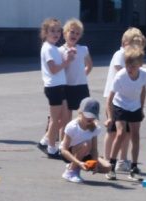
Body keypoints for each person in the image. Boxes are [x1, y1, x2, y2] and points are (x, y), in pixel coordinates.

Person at [103, 28, 146, 173]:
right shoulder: (119, 54)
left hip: (129, 101)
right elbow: (120, 73)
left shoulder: (133, 59)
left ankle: (122, 160)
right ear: (127, 44)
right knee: (113, 132)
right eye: (136, 46)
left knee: (127, 132)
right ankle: (107, 159)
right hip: (116, 98)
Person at [37, 18, 75, 159]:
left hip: (59, 86)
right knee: (55, 120)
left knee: (64, 118)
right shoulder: (48, 48)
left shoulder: (53, 48)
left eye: (58, 31)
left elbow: (59, 64)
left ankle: (44, 141)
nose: (56, 33)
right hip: (53, 87)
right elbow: (53, 69)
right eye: (52, 31)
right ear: (45, 33)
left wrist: (68, 55)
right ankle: (51, 148)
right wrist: (67, 61)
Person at [60, 97, 110, 183]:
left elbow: (94, 149)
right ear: (81, 112)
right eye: (87, 115)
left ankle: (76, 165)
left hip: (85, 153)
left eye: (93, 116)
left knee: (107, 167)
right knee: (86, 144)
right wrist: (79, 163)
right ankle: (70, 172)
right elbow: (64, 150)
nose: (90, 118)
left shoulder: (95, 128)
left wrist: (95, 164)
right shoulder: (72, 126)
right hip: (69, 154)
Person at [58, 18, 93, 140]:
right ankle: (63, 144)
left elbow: (89, 65)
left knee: (84, 116)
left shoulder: (83, 49)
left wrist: (82, 75)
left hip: (81, 87)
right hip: (66, 87)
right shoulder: (60, 51)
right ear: (65, 33)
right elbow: (59, 69)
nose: (74, 35)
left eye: (77, 34)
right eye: (72, 32)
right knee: (66, 119)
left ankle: (81, 140)